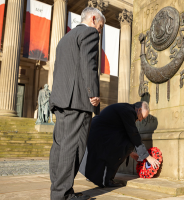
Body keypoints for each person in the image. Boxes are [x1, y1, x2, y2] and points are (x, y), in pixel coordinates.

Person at [49, 7, 104, 200]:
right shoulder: (89, 33)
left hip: (61, 99)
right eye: (100, 26)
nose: (99, 31)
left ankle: (59, 190)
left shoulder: (65, 38)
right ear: (94, 19)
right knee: (74, 148)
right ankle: (62, 195)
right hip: (78, 101)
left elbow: (59, 69)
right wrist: (93, 94)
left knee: (60, 146)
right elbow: (89, 65)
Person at [79, 101, 160, 188]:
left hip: (96, 134)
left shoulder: (125, 108)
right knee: (129, 144)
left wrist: (131, 153)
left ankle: (96, 176)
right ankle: (107, 180)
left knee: (125, 143)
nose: (140, 120)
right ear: (139, 110)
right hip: (99, 135)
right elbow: (133, 134)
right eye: (142, 117)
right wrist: (148, 157)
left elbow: (120, 134)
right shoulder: (129, 112)